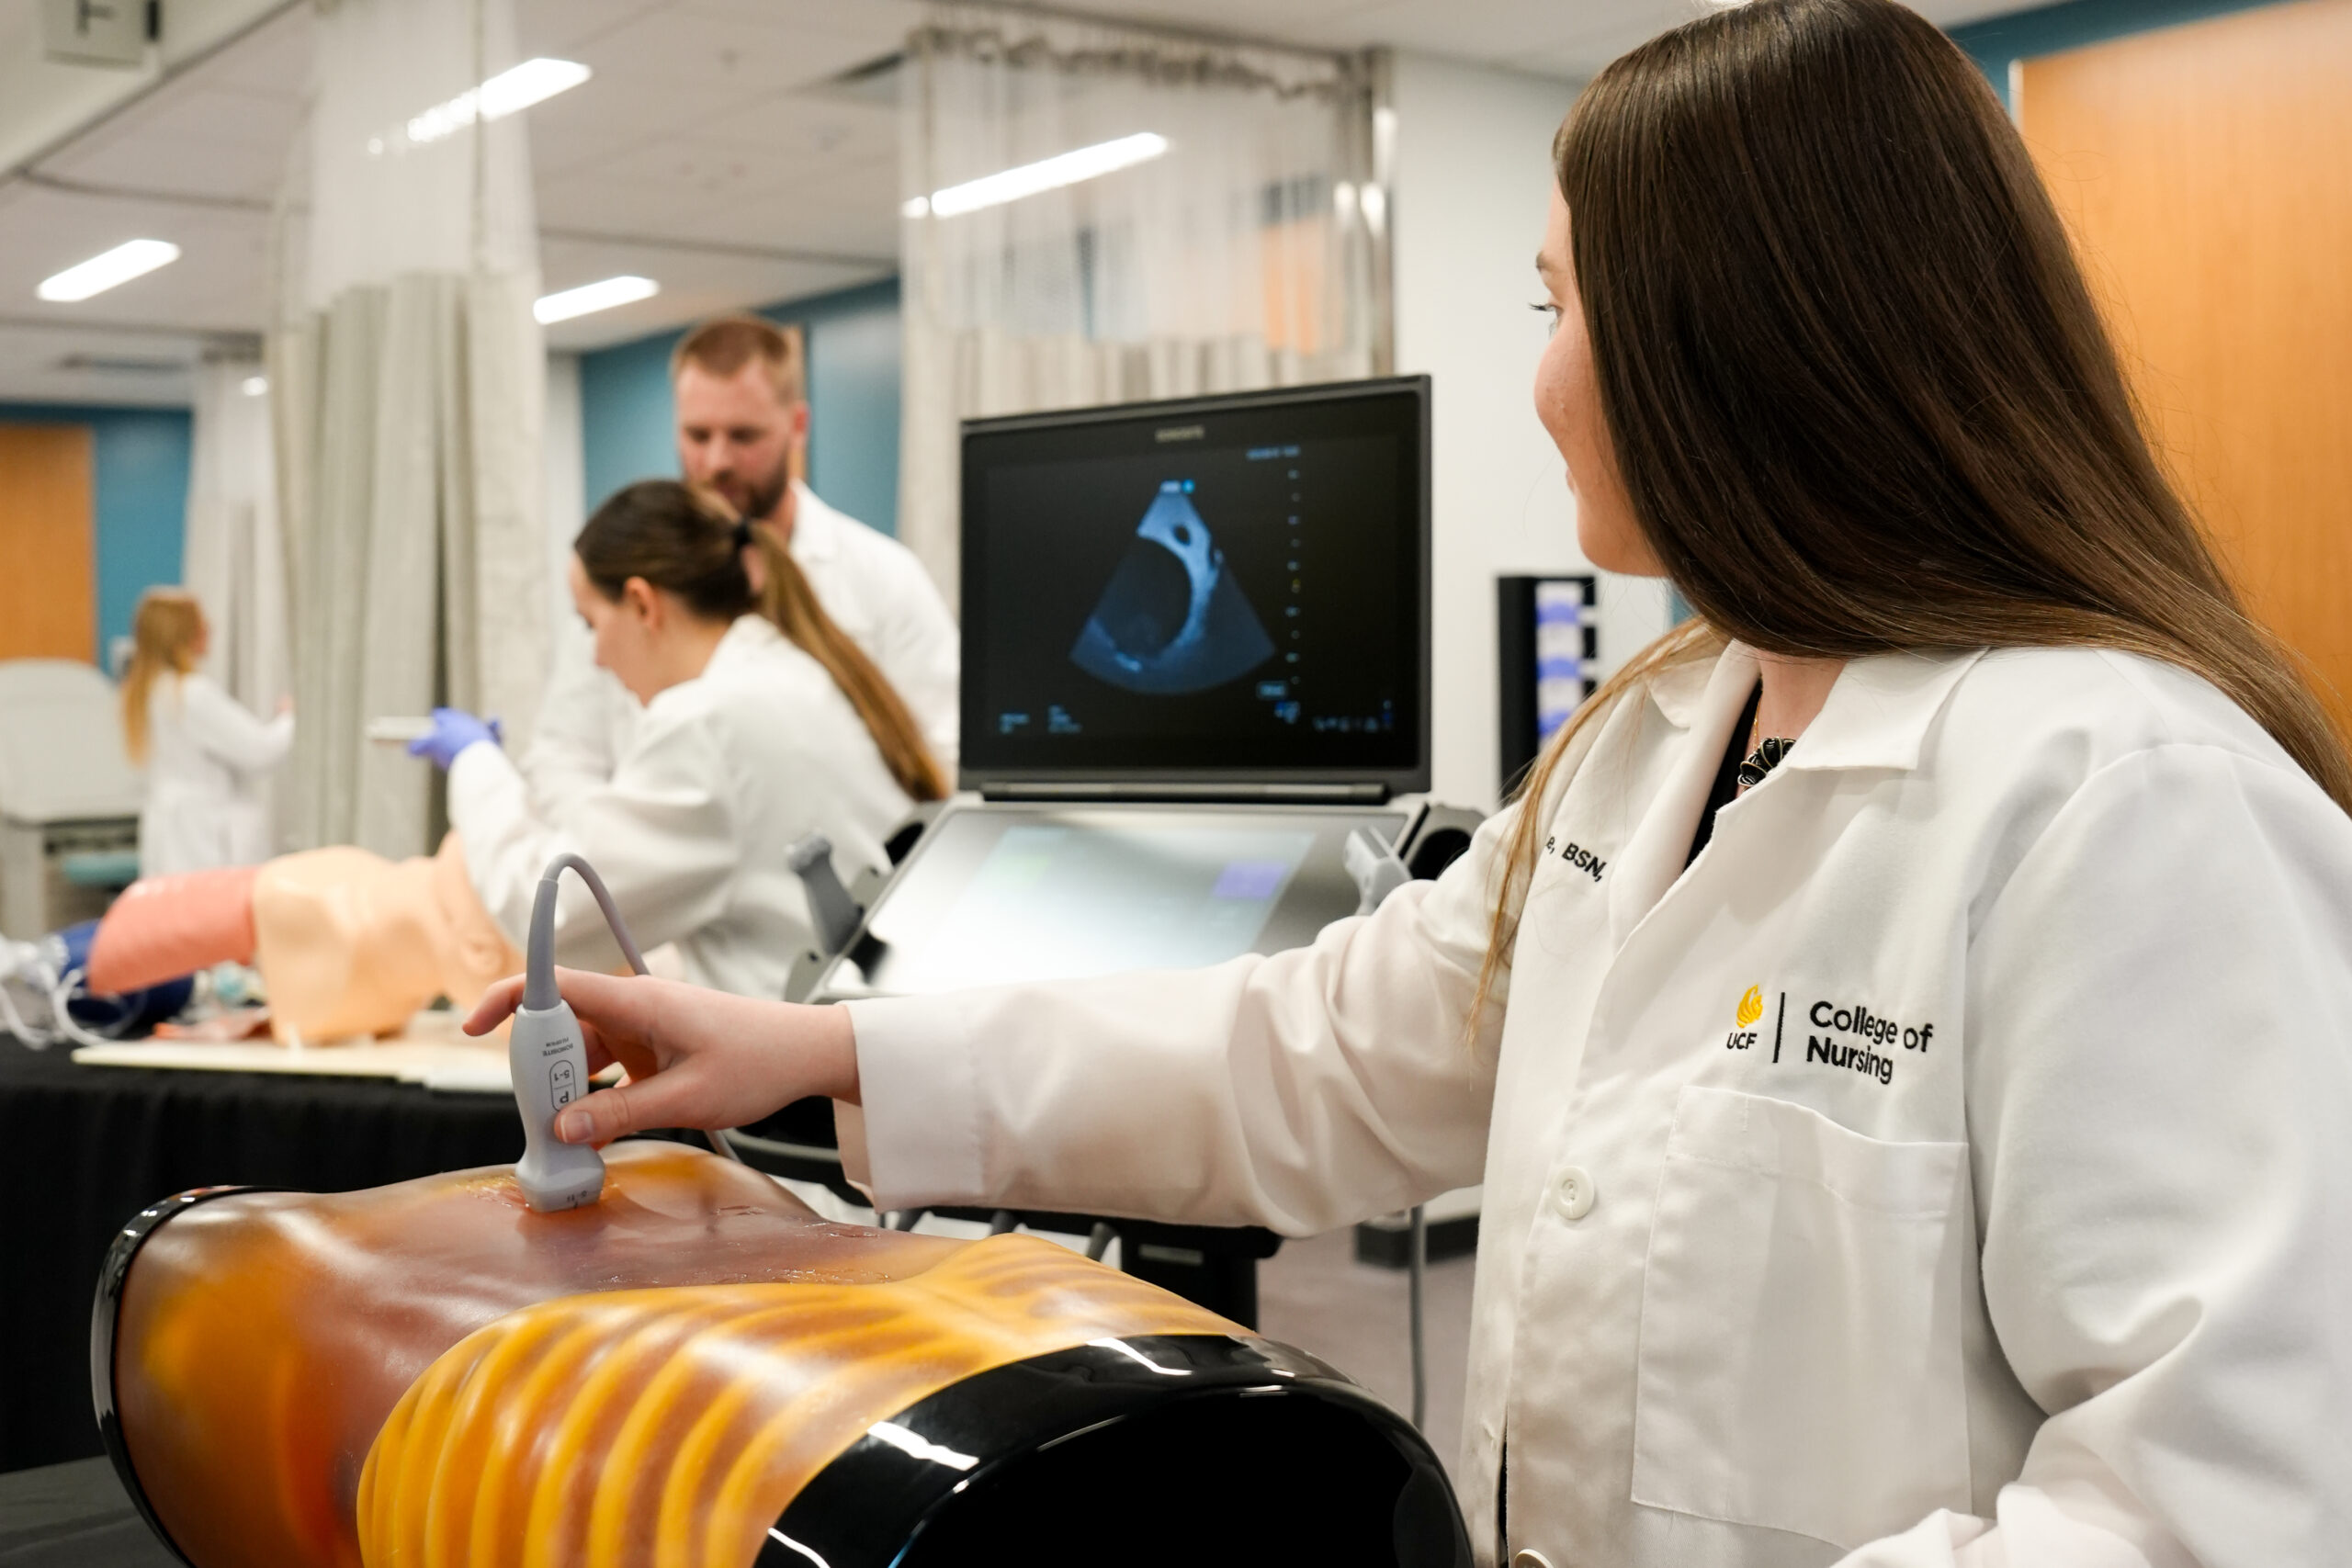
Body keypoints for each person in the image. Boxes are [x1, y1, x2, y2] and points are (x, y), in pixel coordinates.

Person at [468, 3, 2352, 1563]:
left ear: (1736, 341)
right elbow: (1324, 1050)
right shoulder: (1650, 738)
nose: (1542, 384)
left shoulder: (2129, 803)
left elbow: (2219, 1508)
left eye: (1555, 309)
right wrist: (821, 1054)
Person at [415, 480, 944, 1000]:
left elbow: (552, 915)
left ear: (642, 604)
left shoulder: (706, 725)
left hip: (808, 1044)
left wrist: (475, 763)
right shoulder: (794, 673)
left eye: (591, 623)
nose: (596, 657)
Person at [525, 317, 959, 817]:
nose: (716, 462)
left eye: (743, 436)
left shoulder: (885, 578)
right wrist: (615, 836)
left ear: (798, 426)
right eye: (697, 435)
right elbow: (562, 756)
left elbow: (943, 754)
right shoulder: (626, 581)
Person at [120, 588, 292, 877]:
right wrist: (291, 717)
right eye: (200, 621)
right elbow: (261, 752)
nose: (209, 627)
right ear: (182, 633)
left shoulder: (148, 692)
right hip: (200, 835)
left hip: (173, 833)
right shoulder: (190, 694)